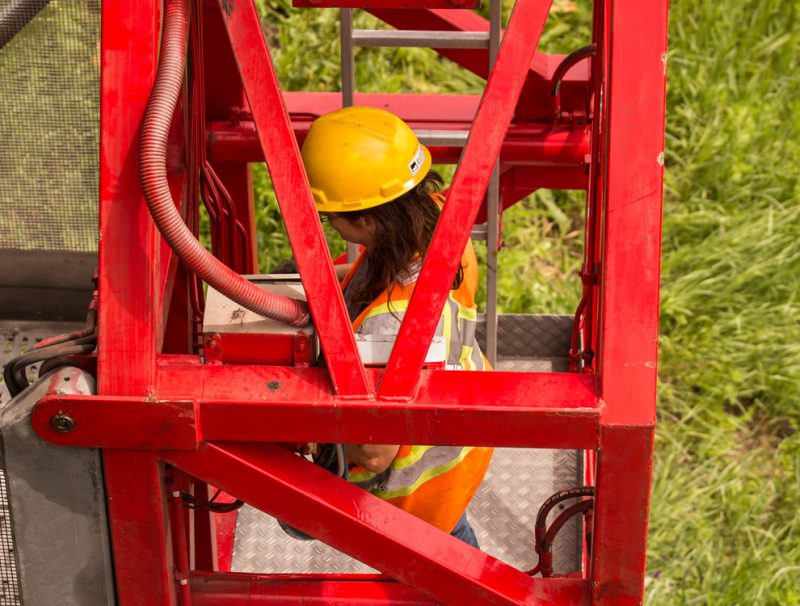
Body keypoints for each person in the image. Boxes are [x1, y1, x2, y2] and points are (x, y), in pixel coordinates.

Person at [300, 106, 493, 548]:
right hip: (458, 437)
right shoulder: (440, 220)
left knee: (441, 567)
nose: (331, 224)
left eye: (333, 216)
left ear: (367, 219)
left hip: (418, 495)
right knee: (456, 542)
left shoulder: (392, 324)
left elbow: (373, 452)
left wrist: (302, 430)